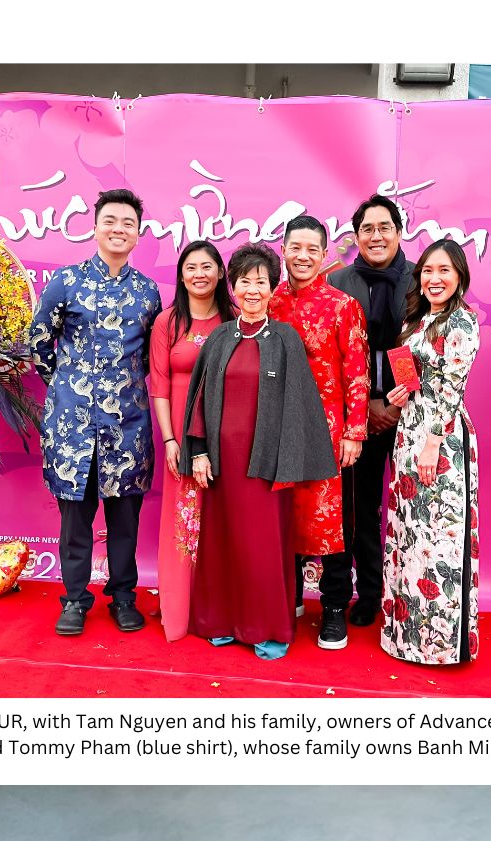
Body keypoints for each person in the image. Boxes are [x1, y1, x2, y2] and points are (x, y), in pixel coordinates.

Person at [182, 243, 338, 658]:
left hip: (266, 462)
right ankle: (221, 620)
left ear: (273, 288)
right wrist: (198, 452)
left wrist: (289, 460)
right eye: (245, 281)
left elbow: (302, 404)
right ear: (232, 287)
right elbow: (199, 399)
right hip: (219, 461)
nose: (253, 289)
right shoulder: (218, 338)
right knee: (222, 541)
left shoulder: (286, 338)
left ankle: (267, 628)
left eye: (261, 282)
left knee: (263, 545)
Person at [29, 188, 163, 637]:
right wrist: (67, 391)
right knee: (75, 519)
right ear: (95, 226)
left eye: (128, 222)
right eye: (111, 220)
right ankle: (74, 599)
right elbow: (39, 344)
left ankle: (124, 597)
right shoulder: (66, 282)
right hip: (72, 427)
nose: (119, 229)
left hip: (128, 425)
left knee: (126, 519)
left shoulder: (147, 292)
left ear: (138, 233)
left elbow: (149, 359)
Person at [270, 214, 370, 650]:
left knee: (331, 522)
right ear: (284, 249)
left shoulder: (342, 305)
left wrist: (354, 432)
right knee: (282, 514)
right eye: (296, 247)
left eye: (313, 248)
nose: (303, 256)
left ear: (325, 254)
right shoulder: (266, 302)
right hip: (274, 431)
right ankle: (287, 600)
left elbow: (358, 372)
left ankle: (333, 609)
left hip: (329, 433)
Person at [381, 240, 481, 665]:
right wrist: (400, 392)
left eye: (443, 271)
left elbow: (454, 387)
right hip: (408, 433)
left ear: (459, 276)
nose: (434, 278)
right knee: (410, 534)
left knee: (439, 540)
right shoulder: (419, 319)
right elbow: (416, 379)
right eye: (426, 270)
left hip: (440, 439)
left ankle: (438, 645)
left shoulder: (462, 321)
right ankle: (405, 636)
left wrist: (434, 441)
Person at [328, 194, 413, 632]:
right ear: (356, 236)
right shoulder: (339, 281)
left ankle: (409, 595)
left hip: (408, 415)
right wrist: (363, 409)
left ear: (399, 232)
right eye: (367, 229)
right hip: (352, 418)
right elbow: (333, 355)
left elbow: (417, 347)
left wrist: (392, 404)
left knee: (406, 509)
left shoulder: (422, 279)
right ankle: (365, 595)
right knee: (357, 508)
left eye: (385, 227)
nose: (376, 236)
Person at [148, 241, 234, 641]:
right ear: (181, 276)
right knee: (183, 520)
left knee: (220, 520)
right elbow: (160, 386)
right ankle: (180, 607)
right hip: (181, 438)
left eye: (207, 266)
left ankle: (217, 609)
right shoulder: (168, 322)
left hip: (226, 435)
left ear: (220, 272)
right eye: (190, 267)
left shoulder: (234, 320)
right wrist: (169, 438)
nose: (199, 274)